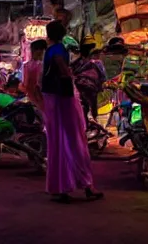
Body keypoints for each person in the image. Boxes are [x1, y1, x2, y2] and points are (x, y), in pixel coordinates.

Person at [35, 20, 101, 203]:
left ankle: (61, 186)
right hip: (63, 99)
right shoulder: (58, 51)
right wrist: (69, 75)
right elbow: (63, 71)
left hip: (53, 99)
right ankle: (87, 185)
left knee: (58, 143)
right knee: (76, 142)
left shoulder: (49, 51)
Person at [73, 43, 107, 121]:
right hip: (91, 87)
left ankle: (87, 122)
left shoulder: (79, 63)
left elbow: (74, 73)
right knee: (92, 105)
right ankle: (94, 120)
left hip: (81, 86)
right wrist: (102, 85)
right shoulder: (97, 63)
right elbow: (102, 76)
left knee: (84, 105)